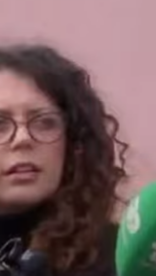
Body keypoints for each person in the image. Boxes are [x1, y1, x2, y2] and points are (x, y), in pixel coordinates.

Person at [0, 44, 128, 276]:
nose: (22, 138)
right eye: (0, 125)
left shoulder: (121, 258)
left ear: (73, 141)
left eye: (44, 122)